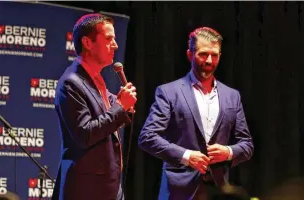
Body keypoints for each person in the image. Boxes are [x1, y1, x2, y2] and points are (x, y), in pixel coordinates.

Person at [138, 26, 254, 200]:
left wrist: (228, 152)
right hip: (179, 191)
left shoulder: (232, 96)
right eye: (203, 54)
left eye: (214, 55)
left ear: (220, 56)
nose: (209, 60)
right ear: (190, 54)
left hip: (218, 190)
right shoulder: (169, 92)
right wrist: (186, 156)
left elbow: (247, 145)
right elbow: (147, 137)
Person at [52, 13, 137, 200]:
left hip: (109, 188)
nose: (115, 44)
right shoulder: (71, 83)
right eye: (108, 39)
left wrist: (123, 107)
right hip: (86, 190)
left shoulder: (96, 80)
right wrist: (121, 106)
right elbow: (85, 134)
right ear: (87, 43)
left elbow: (108, 116)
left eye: (114, 39)